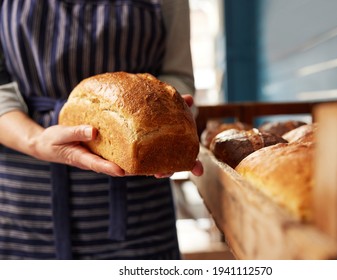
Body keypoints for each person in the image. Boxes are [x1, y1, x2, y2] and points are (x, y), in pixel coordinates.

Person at [0, 0, 203, 259]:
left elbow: (177, 75)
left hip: (137, 206)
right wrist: (34, 140)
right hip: (27, 196)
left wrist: (166, 120)